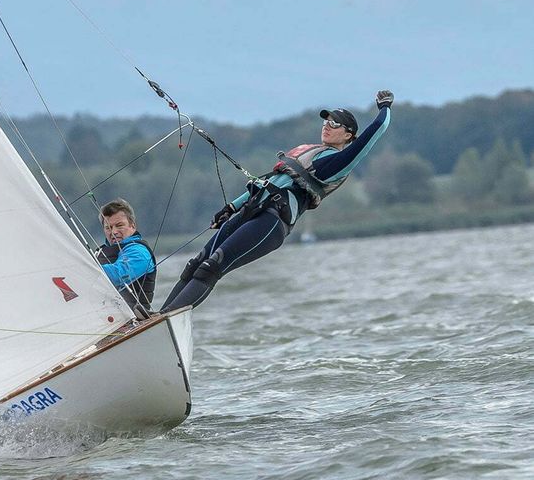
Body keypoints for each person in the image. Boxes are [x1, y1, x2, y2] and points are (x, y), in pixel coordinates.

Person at [160, 90, 394, 313]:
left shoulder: (339, 162)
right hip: (251, 210)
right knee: (196, 263)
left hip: (272, 221)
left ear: (348, 135)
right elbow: (270, 181)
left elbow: (374, 132)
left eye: (335, 124)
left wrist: (384, 107)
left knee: (211, 267)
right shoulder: (309, 151)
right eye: (325, 121)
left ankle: (167, 319)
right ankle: (153, 319)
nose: (327, 126)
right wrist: (232, 207)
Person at [94, 198, 157, 317]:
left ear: (132, 226)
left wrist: (82, 269)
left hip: (131, 322)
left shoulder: (139, 251)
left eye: (119, 225)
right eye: (108, 227)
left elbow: (117, 275)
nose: (113, 232)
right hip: (100, 320)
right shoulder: (100, 252)